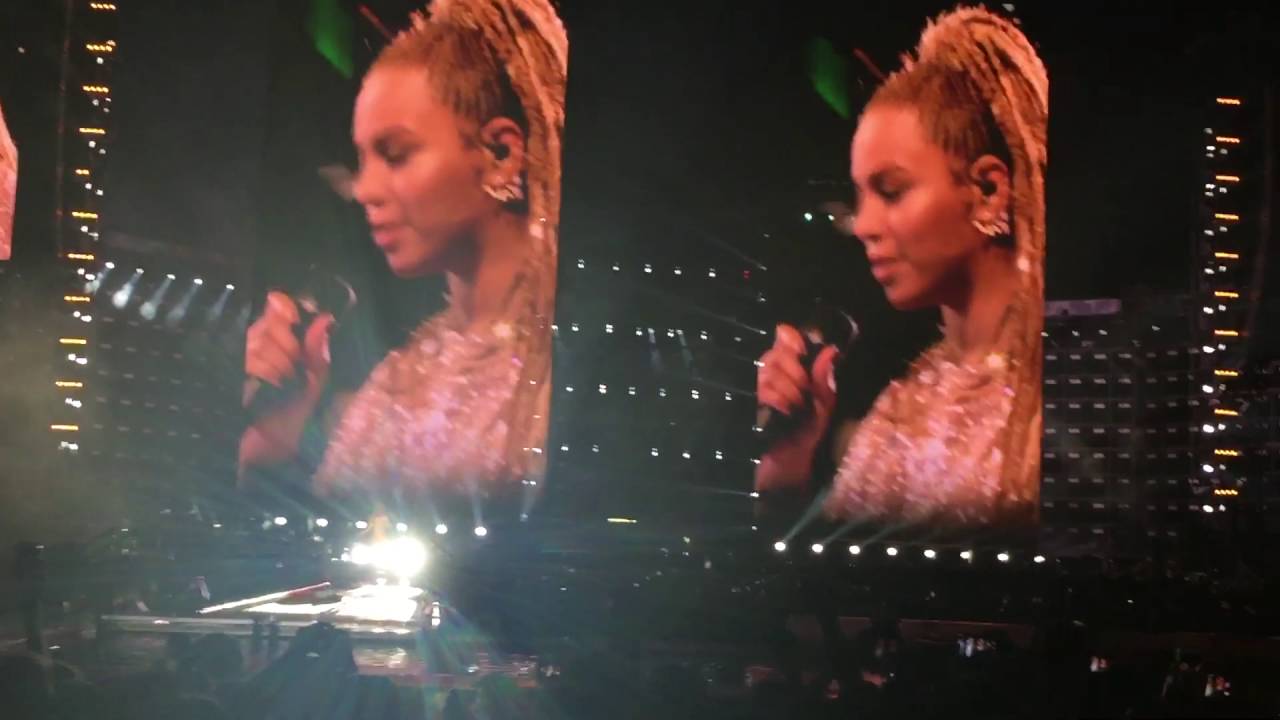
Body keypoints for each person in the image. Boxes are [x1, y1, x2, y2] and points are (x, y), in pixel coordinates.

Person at [239, 0, 567, 498]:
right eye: (361, 159)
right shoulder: (393, 382)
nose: (363, 190)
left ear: (501, 154)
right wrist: (279, 427)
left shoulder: (558, 374)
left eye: (395, 155)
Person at [755, 7, 1046, 526]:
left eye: (891, 191)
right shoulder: (899, 406)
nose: (864, 224)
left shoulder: (1062, 399)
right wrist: (789, 462)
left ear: (987, 191)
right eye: (859, 195)